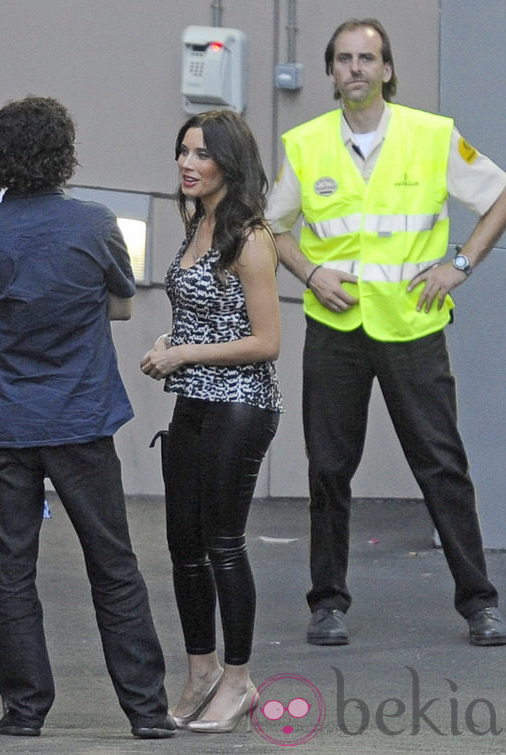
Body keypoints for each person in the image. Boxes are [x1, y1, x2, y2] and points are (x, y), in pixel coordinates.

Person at [266, 18, 506, 647]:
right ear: (331, 71)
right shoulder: (304, 143)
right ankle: (327, 604)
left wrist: (459, 265)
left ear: (386, 69)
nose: (356, 68)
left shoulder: (432, 136)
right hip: (336, 327)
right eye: (345, 59)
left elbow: (505, 195)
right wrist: (310, 272)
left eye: (368, 58)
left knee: (442, 465)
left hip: (412, 324)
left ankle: (480, 603)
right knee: (328, 469)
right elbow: (272, 228)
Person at [0, 95, 175, 740]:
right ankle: (147, 711)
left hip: (5, 421)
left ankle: (24, 712)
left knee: (10, 574)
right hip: (81, 417)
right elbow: (124, 306)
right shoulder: (94, 223)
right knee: (113, 564)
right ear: (63, 154)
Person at [140, 110, 282, 732]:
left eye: (200, 154)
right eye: (182, 152)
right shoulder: (197, 221)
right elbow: (208, 312)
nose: (186, 164)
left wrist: (184, 352)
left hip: (241, 405)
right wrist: (176, 339)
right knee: (182, 545)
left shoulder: (250, 237)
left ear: (229, 162)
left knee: (222, 544)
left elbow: (267, 341)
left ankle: (239, 679)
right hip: (193, 400)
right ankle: (201, 670)